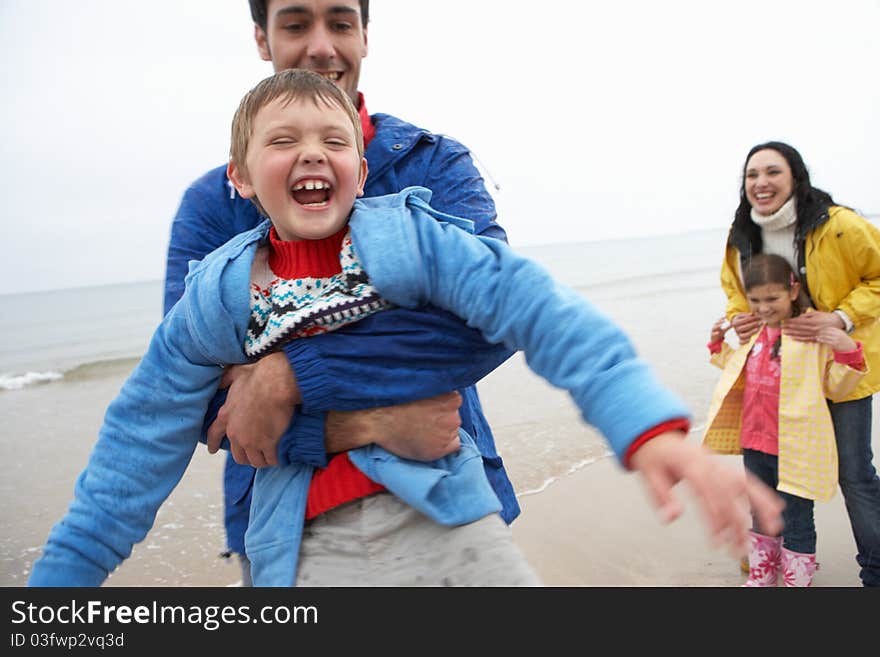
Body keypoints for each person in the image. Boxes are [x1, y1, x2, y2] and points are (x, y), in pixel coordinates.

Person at [29, 69, 784, 587]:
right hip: (302, 545)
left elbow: (533, 305)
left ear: (362, 164)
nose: (311, 154)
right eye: (282, 141)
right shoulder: (218, 297)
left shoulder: (412, 238)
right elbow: (135, 448)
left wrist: (650, 429)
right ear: (239, 175)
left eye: (332, 140)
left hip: (447, 516)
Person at [164, 0, 519, 585]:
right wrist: (368, 423)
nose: (322, 45)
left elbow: (494, 318)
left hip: (447, 495)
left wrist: (287, 376)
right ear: (262, 37)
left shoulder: (431, 163)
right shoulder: (211, 205)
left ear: (365, 36)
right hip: (283, 531)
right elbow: (195, 396)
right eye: (297, 23)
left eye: (340, 22)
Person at [720, 140, 880, 587]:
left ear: (795, 176)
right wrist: (739, 316)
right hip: (781, 376)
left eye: (772, 172)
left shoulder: (839, 225)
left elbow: (878, 274)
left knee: (854, 472)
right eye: (752, 175)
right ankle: (770, 560)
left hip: (842, 368)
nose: (761, 183)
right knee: (772, 472)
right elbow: (734, 286)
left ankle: (877, 569)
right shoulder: (741, 234)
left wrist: (841, 317)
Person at [704, 254, 866, 587]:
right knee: (761, 512)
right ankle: (761, 577)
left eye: (772, 299)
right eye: (755, 300)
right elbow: (736, 369)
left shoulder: (809, 333)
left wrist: (849, 351)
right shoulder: (755, 333)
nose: (763, 308)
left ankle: (797, 580)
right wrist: (718, 343)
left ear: (792, 291)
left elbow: (837, 386)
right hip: (754, 442)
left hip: (795, 448)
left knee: (796, 519)